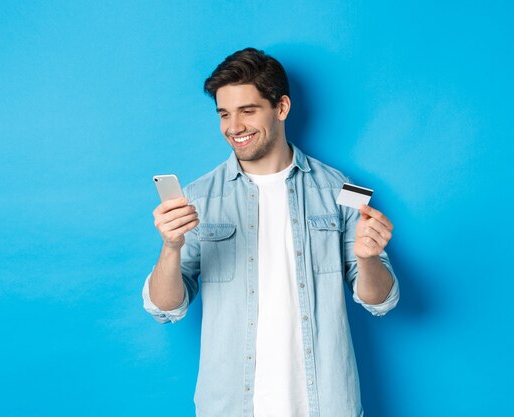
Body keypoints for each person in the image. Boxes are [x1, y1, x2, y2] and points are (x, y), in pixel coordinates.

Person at [143, 47, 400, 417]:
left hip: (325, 405)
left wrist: (368, 257)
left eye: (248, 111)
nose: (234, 127)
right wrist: (170, 247)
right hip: (229, 406)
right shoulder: (198, 197)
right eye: (224, 114)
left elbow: (381, 300)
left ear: (281, 108)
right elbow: (165, 308)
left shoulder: (338, 189)